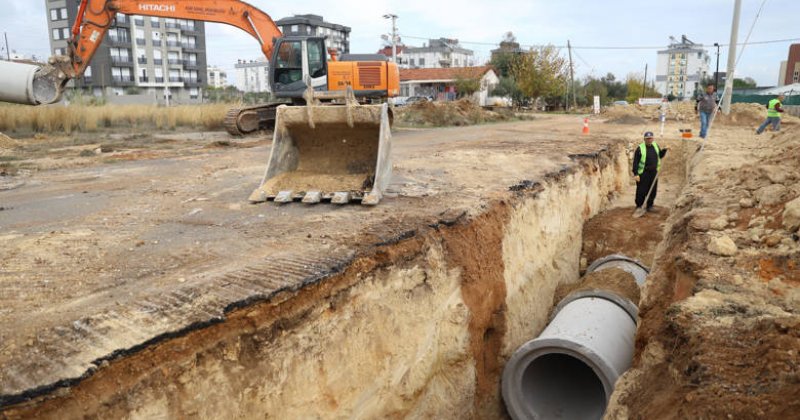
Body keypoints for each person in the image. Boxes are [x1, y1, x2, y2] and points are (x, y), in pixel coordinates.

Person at [632, 132, 668, 214]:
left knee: (652, 190)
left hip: (653, 172)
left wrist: (665, 149)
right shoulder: (640, 148)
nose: (649, 140)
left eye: (651, 138)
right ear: (644, 139)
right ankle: (639, 206)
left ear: (653, 138)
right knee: (641, 190)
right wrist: (636, 174)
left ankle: (650, 206)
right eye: (647, 138)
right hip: (643, 173)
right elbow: (635, 162)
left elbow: (660, 155)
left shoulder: (655, 146)